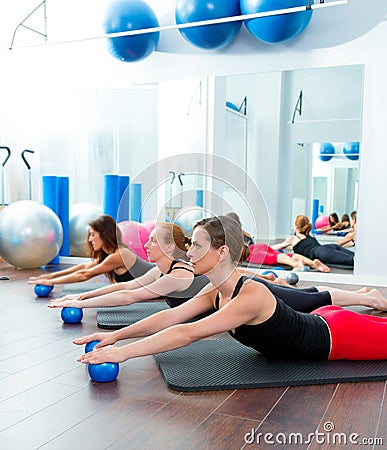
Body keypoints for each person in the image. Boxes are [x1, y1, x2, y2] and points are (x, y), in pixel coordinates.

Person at [75, 215, 387, 367]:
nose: (190, 252)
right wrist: (115, 336)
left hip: (340, 336)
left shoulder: (250, 296)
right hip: (328, 321)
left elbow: (188, 333)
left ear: (221, 252)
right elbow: (171, 318)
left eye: (197, 246)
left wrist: (124, 353)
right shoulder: (214, 291)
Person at [47, 222, 210, 310]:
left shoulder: (178, 275)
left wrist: (80, 304)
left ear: (169, 247)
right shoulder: (160, 270)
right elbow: (125, 286)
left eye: (153, 241)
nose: (146, 245)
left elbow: (129, 296)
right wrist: (82, 296)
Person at [28, 215, 154, 287]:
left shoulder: (119, 255)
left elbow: (85, 274)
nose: (89, 239)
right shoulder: (110, 254)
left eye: (93, 235)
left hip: (164, 283)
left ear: (104, 234)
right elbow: (85, 267)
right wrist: (51, 276)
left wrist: (51, 282)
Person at [272, 215, 354, 267]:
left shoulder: (294, 239)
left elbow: (278, 246)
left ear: (296, 226)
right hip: (328, 248)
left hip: (322, 252)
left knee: (354, 261)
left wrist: (263, 248)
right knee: (356, 258)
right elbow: (294, 247)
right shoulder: (310, 236)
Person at [247, 243, 330, 272]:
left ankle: (296, 264)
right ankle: (313, 263)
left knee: (274, 257)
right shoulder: (245, 234)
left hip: (249, 252)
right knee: (288, 256)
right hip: (257, 246)